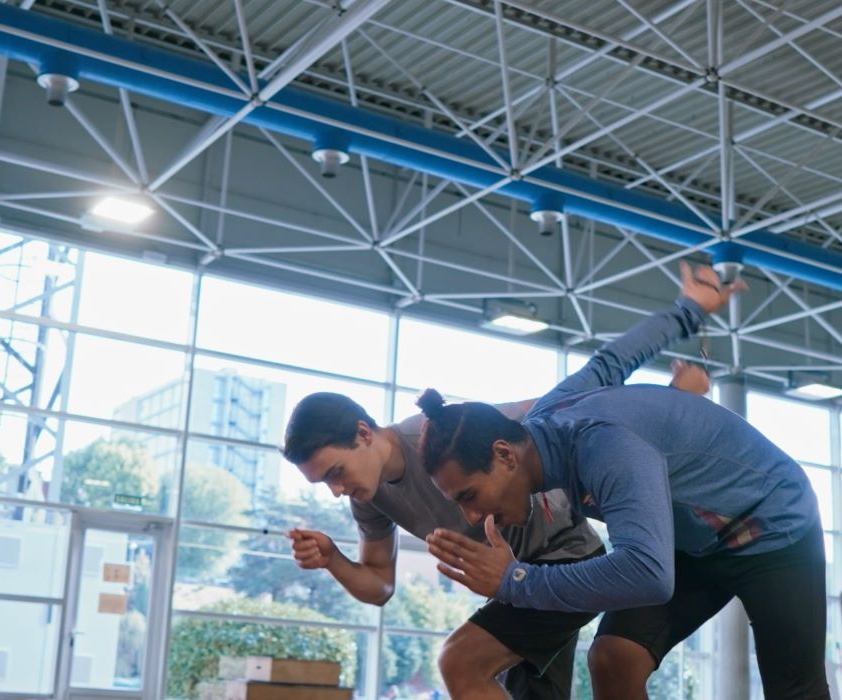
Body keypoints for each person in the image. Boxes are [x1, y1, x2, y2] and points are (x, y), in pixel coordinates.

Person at [281, 262, 729, 699]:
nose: (337, 491)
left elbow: (578, 402)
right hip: (514, 585)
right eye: (324, 485)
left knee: (461, 661)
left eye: (336, 473)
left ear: (363, 433)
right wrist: (334, 559)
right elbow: (379, 587)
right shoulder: (369, 498)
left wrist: (673, 399)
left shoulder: (446, 437)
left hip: (562, 561)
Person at [420, 267, 828, 700]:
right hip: (692, 543)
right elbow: (613, 361)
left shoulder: (607, 448)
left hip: (773, 530)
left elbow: (648, 575)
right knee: (615, 658)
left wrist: (516, 582)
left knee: (794, 693)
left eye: (469, 496)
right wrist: (688, 311)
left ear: (504, 454)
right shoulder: (553, 414)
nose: (471, 515)